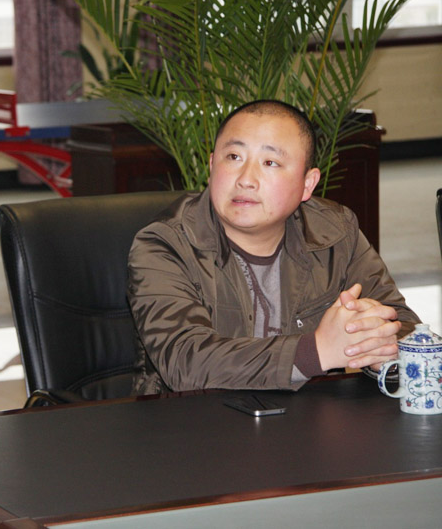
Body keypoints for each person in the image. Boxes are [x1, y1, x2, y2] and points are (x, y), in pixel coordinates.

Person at [128, 99, 420, 394]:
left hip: (309, 416)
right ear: (212, 165)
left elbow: (403, 325)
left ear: (307, 184)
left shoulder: (335, 232)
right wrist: (316, 351)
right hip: (195, 418)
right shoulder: (163, 244)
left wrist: (379, 346)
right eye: (234, 157)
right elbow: (185, 363)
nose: (246, 180)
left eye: (270, 163)